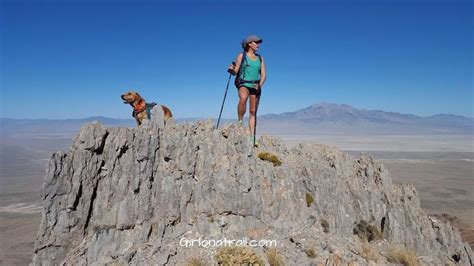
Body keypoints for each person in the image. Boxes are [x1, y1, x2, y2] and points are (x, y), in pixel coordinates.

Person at [228, 35, 266, 143]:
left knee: (253, 111)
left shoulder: (260, 58)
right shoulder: (242, 56)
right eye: (256, 42)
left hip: (255, 85)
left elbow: (263, 74)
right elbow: (235, 71)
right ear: (249, 44)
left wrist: (260, 84)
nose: (258, 44)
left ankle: (252, 137)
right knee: (243, 98)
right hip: (243, 83)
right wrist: (231, 70)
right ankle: (240, 121)